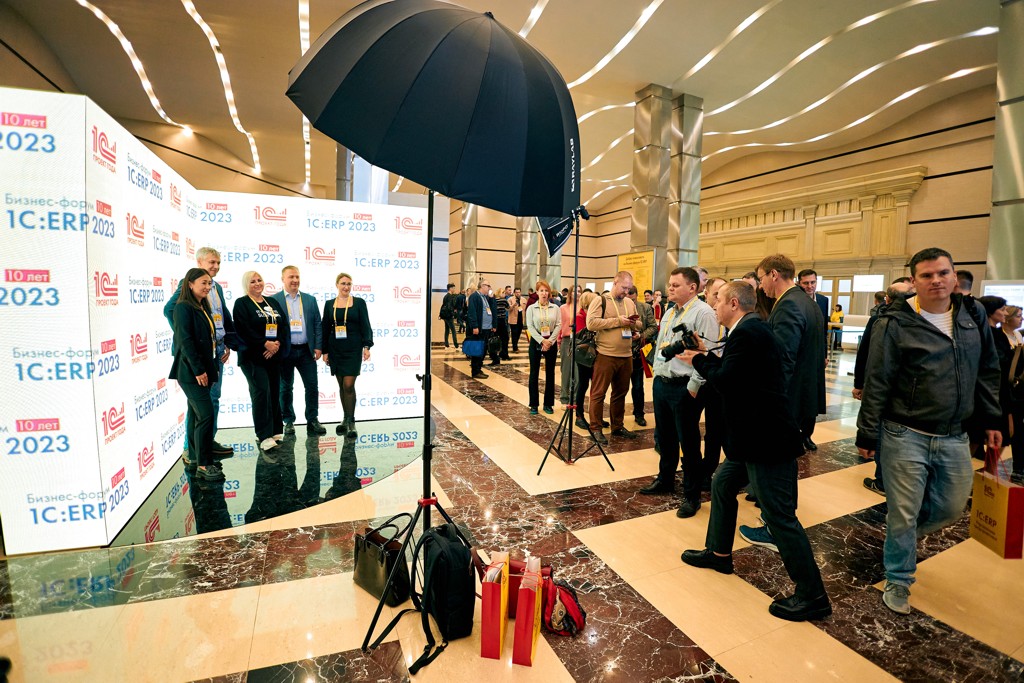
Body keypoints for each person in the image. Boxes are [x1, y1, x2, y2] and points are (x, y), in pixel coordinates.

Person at [856, 247, 1001, 615]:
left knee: (951, 508)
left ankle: (899, 537)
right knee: (903, 512)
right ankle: (899, 578)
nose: (936, 280)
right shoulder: (895, 322)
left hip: (954, 434)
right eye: (927, 275)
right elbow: (878, 380)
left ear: (954, 276)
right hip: (904, 433)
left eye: (942, 273)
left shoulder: (972, 314)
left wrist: (991, 420)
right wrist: (867, 433)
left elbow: (988, 369)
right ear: (914, 282)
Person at [680, 281, 831, 622]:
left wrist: (699, 359)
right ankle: (719, 553)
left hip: (766, 441)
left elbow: (726, 381)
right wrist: (708, 355)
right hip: (752, 438)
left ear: (733, 303)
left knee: (779, 517)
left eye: (717, 300)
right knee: (722, 484)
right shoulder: (749, 330)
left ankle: (813, 595)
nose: (713, 306)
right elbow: (737, 373)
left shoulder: (749, 333)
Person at [740, 254, 825, 550]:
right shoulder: (807, 302)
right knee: (785, 466)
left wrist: (769, 402)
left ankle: (775, 527)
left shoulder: (788, 304)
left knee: (777, 469)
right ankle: (777, 522)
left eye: (762, 277)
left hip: (786, 400)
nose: (761, 284)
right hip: (802, 396)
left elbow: (783, 360)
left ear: (774, 274)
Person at [639, 268, 719, 520]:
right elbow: (662, 346)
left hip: (685, 386)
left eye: (676, 285)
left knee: (689, 442)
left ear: (692, 288)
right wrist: (657, 374)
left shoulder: (703, 313)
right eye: (670, 284)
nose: (670, 288)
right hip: (663, 383)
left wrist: (694, 386)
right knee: (665, 438)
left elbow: (709, 353)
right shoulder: (670, 311)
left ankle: (692, 495)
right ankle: (665, 480)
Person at [163, 246, 235, 460]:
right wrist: (190, 337)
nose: (216, 266)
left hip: (216, 350)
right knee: (199, 405)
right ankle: (191, 448)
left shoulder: (216, 287)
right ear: (199, 263)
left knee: (213, 399)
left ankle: (207, 441)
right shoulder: (188, 284)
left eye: (218, 263)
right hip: (196, 354)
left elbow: (222, 316)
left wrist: (226, 343)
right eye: (212, 262)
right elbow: (170, 310)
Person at [853, 279, 916, 495]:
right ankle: (884, 478)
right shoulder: (882, 321)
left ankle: (884, 478)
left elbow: (867, 358)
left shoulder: (885, 320)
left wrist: (860, 384)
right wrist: (859, 383)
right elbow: (867, 355)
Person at [170, 268, 225, 481]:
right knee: (206, 414)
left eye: (209, 283)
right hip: (191, 372)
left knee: (196, 414)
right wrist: (199, 370)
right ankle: (204, 464)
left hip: (205, 368)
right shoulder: (182, 307)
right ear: (190, 284)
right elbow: (186, 342)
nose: (207, 287)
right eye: (203, 283)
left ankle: (195, 458)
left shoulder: (202, 305)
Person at [232, 271, 288, 452]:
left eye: (259, 280)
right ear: (246, 284)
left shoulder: (272, 302)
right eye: (252, 281)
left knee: (274, 392)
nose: (257, 284)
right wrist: (265, 343)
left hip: (273, 356)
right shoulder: (241, 303)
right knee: (261, 392)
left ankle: (275, 430)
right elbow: (243, 329)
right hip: (253, 358)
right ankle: (264, 435)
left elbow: (283, 325)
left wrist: (276, 344)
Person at [586, 271, 641, 444]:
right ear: (615, 283)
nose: (626, 292)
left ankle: (617, 426)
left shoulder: (629, 302)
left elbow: (639, 323)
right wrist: (618, 321)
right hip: (605, 355)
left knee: (620, 393)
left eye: (629, 289)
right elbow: (591, 323)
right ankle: (595, 428)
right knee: (598, 393)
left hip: (626, 355)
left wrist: (634, 327)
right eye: (624, 288)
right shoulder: (601, 300)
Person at [271, 266, 326, 436]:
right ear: (283, 279)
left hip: (306, 351)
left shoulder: (310, 300)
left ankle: (312, 419)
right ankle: (288, 421)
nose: (295, 280)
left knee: (312, 386)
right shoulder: (273, 300)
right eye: (291, 277)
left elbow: (317, 324)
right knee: (285, 387)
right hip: (285, 352)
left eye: (297, 277)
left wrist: (318, 346)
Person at [322, 272, 373, 437]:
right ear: (337, 285)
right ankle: (345, 419)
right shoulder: (329, 304)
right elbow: (325, 328)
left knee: (348, 385)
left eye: (349, 284)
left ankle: (351, 422)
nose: (346, 287)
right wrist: (325, 351)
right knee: (341, 386)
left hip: (353, 349)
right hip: (335, 349)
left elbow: (365, 325)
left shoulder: (359, 303)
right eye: (343, 283)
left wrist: (367, 346)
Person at [526, 280, 561, 414]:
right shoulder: (531, 308)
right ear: (537, 292)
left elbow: (558, 325)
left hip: (551, 340)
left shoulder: (555, 308)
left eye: (546, 291)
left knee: (550, 373)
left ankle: (548, 404)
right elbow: (530, 326)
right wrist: (542, 341)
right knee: (534, 372)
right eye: (541, 291)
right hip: (536, 339)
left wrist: (550, 341)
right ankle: (534, 404)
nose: (544, 293)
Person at [626, 285, 658, 427]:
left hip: (638, 352)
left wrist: (641, 335)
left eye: (632, 300)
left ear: (636, 296)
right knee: (619, 386)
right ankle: (617, 416)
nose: (630, 302)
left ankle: (639, 413)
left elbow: (653, 327)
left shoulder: (645, 308)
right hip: (621, 350)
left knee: (638, 386)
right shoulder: (618, 307)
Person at [1001, 305, 1024, 484]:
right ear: (1008, 318)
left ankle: (1018, 468)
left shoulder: (1017, 335)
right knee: (1010, 430)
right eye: (1018, 316)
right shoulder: (1001, 337)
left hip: (1017, 389)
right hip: (1006, 389)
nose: (1021, 319)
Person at [573, 291, 599, 429]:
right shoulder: (580, 316)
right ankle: (579, 416)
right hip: (584, 356)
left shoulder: (592, 316)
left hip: (594, 355)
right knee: (583, 385)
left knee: (595, 386)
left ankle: (595, 417)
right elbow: (581, 337)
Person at [467, 278, 495, 379]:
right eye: (488, 286)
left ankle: (479, 368)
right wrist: (475, 326)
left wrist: (491, 298)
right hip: (479, 329)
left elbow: (491, 309)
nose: (489, 288)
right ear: (482, 286)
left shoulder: (485, 297)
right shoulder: (475, 296)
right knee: (477, 350)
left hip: (487, 329)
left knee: (483, 350)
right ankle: (475, 371)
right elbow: (472, 312)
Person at [558, 286, 581, 405]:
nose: (577, 293)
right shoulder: (563, 308)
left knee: (578, 372)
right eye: (574, 291)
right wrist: (559, 341)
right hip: (567, 340)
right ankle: (564, 397)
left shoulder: (584, 308)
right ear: (570, 293)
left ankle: (576, 398)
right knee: (566, 370)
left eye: (579, 291)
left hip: (580, 341)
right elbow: (560, 325)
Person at [491, 287, 510, 365]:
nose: (504, 294)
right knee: (505, 338)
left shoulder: (494, 300)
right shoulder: (504, 300)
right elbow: (508, 307)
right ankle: (504, 353)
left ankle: (495, 355)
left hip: (495, 321)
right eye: (503, 292)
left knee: (495, 339)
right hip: (502, 320)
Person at [440, 283, 459, 349]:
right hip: (448, 316)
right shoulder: (450, 296)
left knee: (447, 330)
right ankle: (456, 346)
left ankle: (446, 345)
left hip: (445, 316)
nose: (454, 289)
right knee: (453, 330)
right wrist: (452, 314)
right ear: (450, 288)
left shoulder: (445, 296)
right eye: (453, 288)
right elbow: (449, 307)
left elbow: (443, 306)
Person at [507, 287, 525, 353]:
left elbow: (525, 309)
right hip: (513, 320)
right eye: (516, 292)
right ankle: (515, 347)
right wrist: (513, 305)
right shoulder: (510, 299)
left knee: (518, 333)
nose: (518, 293)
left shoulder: (524, 299)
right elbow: (508, 309)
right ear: (514, 293)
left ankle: (515, 345)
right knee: (514, 334)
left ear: (520, 292)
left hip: (521, 319)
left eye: (519, 292)